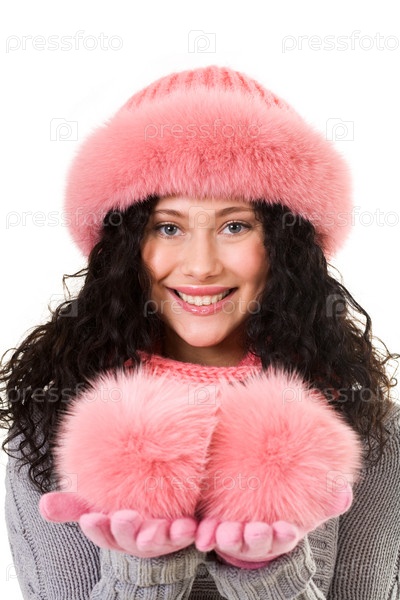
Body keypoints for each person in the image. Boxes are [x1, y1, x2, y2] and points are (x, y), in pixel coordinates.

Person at [0, 65, 399, 600]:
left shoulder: (367, 422)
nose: (201, 265)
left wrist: (266, 573)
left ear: (285, 246)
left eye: (235, 226)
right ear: (124, 247)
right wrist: (145, 570)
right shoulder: (51, 420)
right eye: (169, 227)